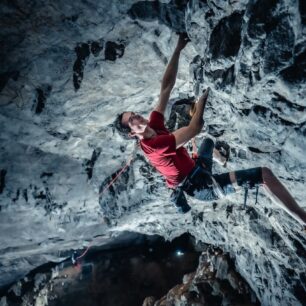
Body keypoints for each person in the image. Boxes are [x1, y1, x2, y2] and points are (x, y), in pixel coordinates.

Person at [114, 33, 306, 227]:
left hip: (198, 166)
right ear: (132, 133)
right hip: (201, 186)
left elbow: (165, 88)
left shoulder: (152, 124)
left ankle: (221, 159)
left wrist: (178, 50)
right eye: (132, 120)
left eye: (135, 113)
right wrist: (202, 100)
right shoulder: (154, 146)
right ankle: (303, 218)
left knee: (208, 142)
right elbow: (195, 128)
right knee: (263, 175)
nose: (137, 116)